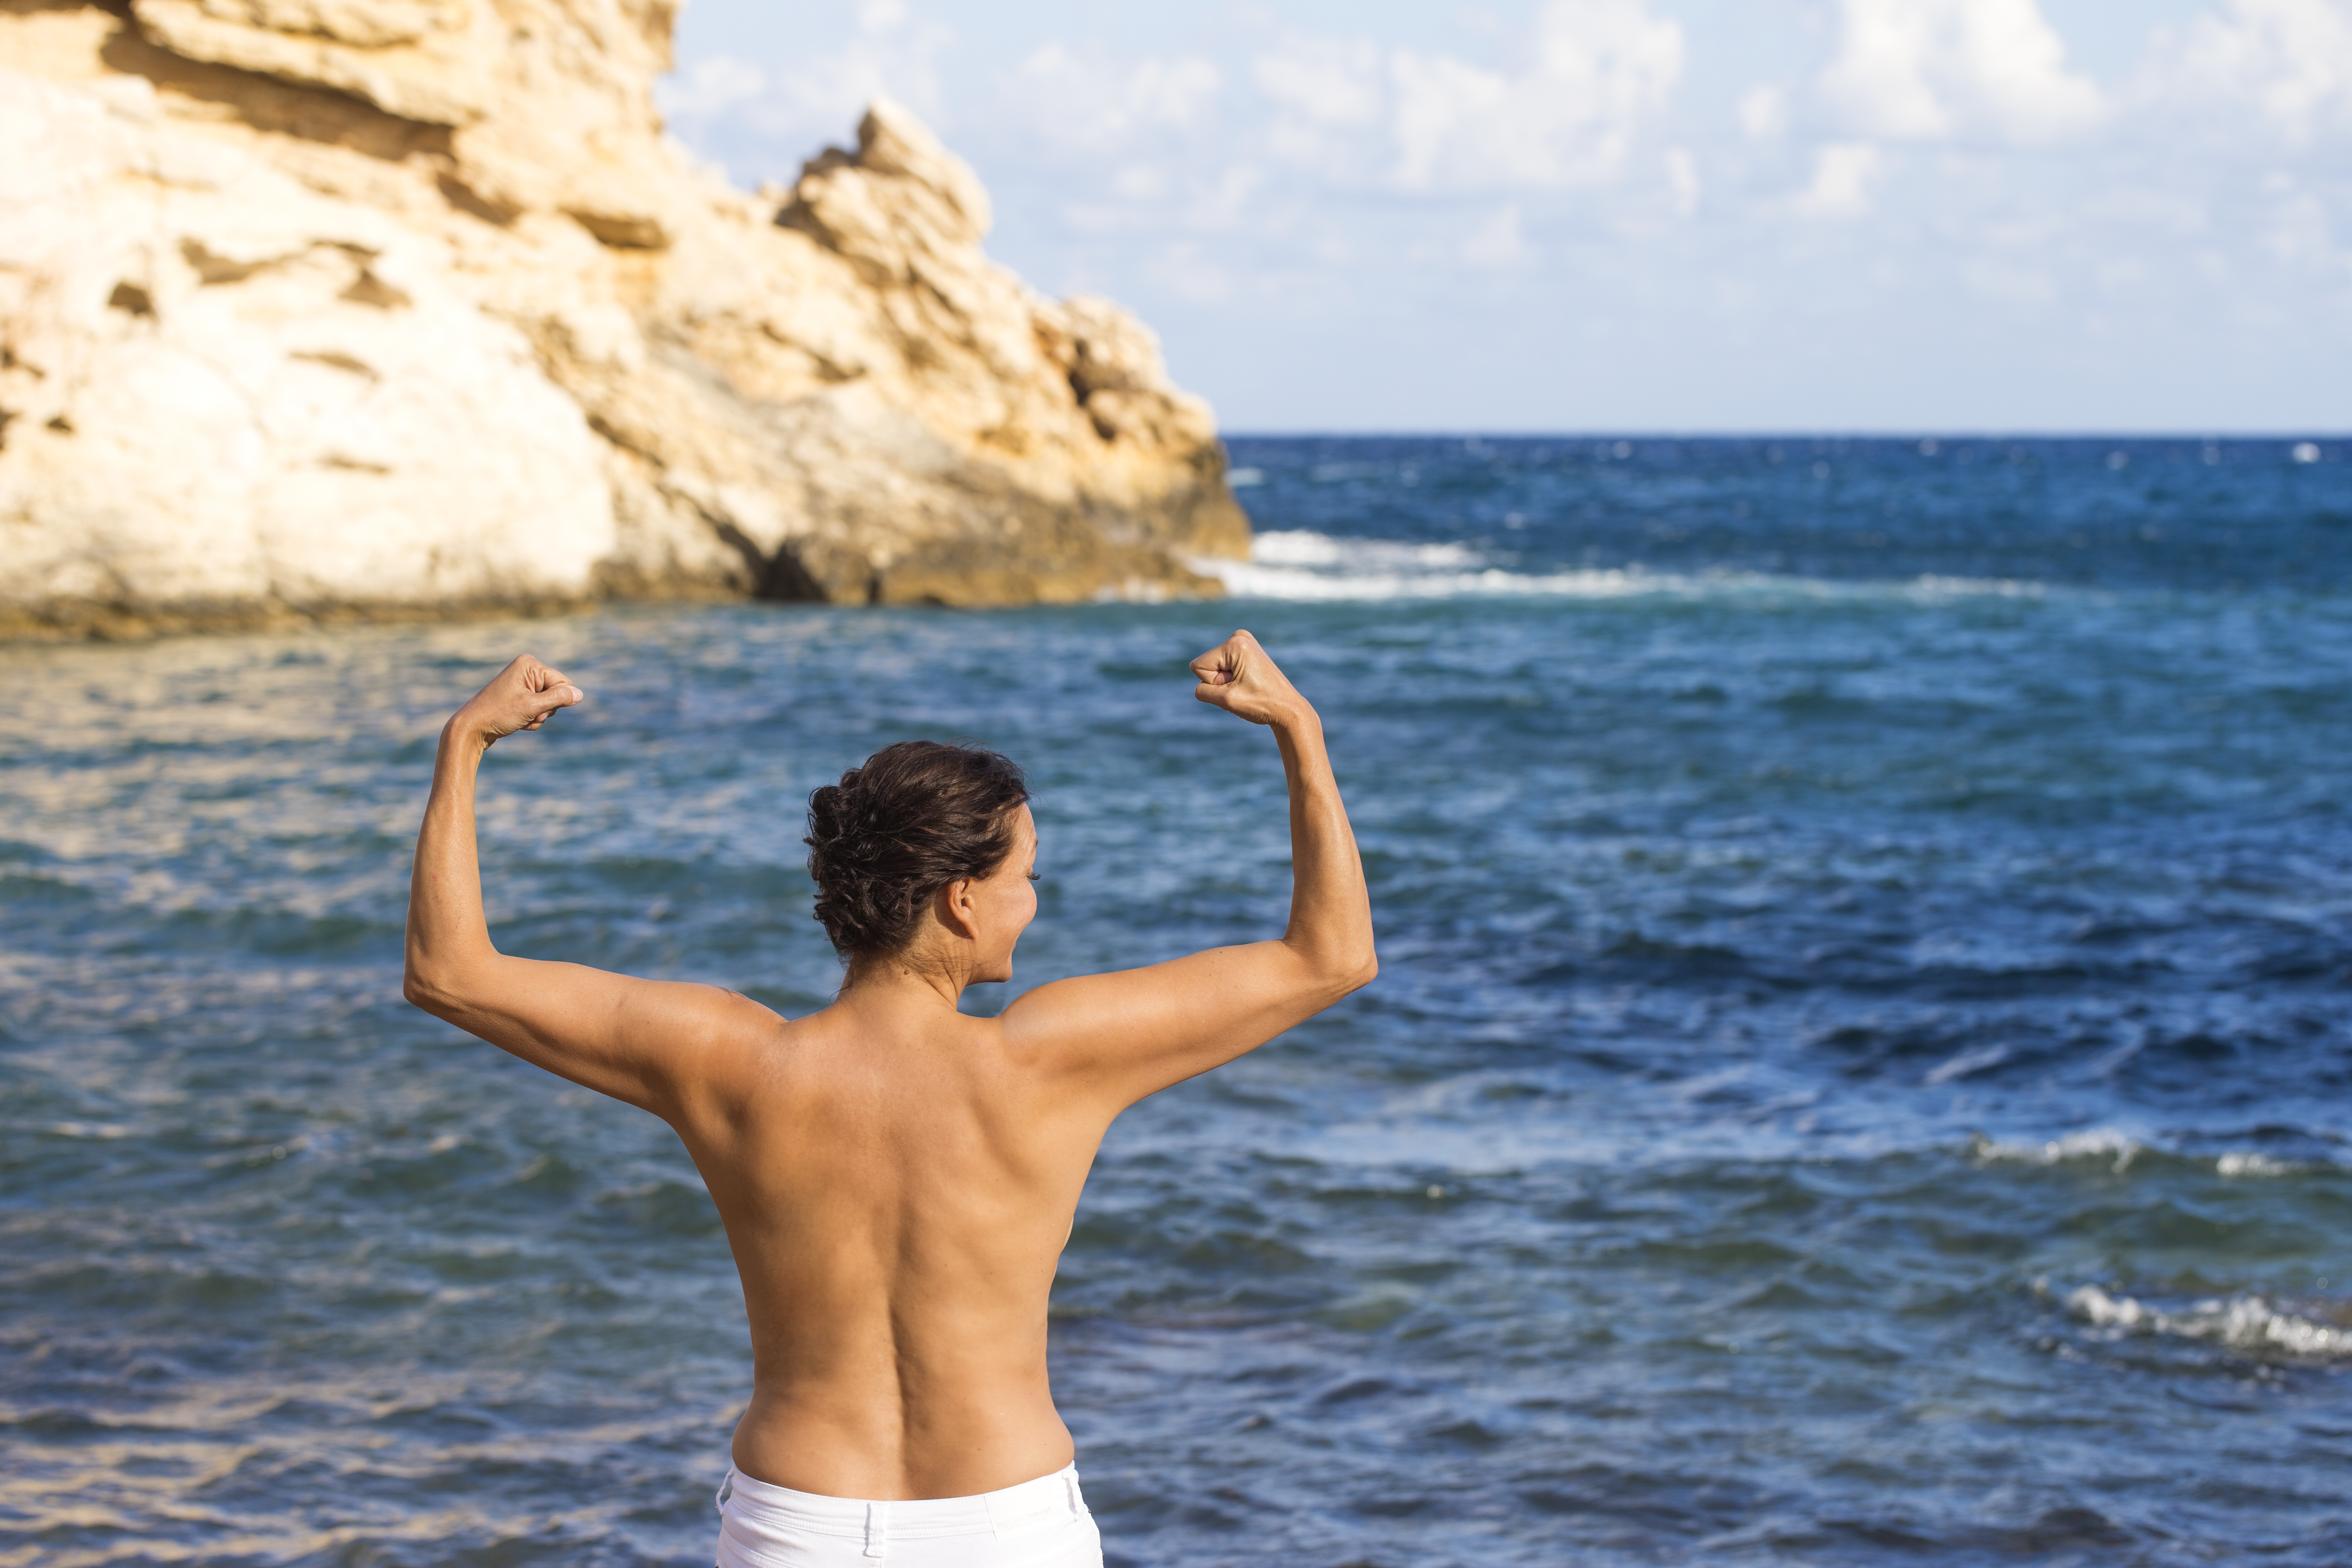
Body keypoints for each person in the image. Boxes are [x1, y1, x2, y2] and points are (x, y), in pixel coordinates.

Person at [403, 629, 1376, 1568]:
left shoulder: (729, 1063)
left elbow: (448, 973)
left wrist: (465, 742)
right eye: (1027, 876)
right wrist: (1299, 728)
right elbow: (1331, 956)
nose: (1034, 901)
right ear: (962, 899)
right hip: (1008, 1532)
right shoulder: (1051, 1060)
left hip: (799, 1532)